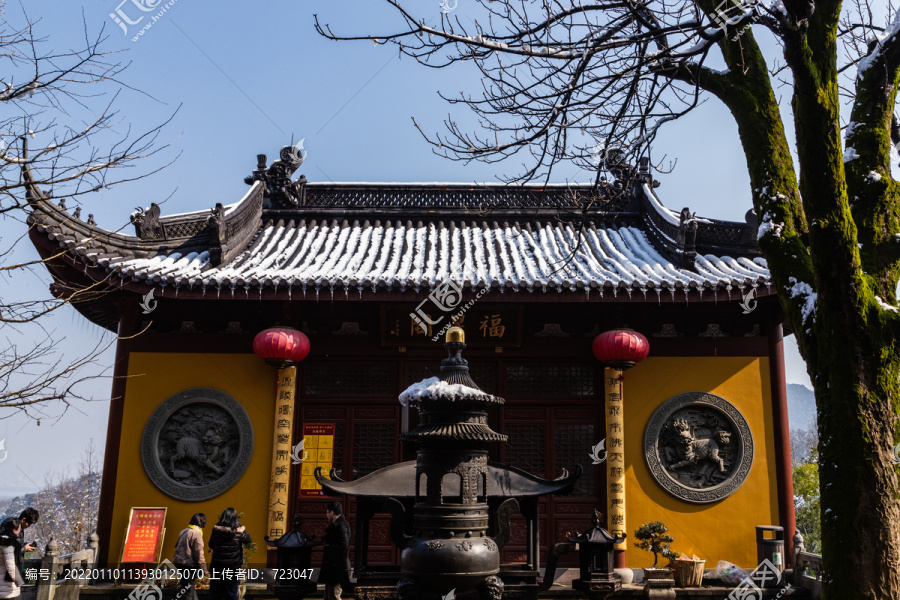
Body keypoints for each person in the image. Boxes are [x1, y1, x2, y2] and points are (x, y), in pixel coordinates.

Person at [207, 508, 251, 600]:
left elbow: (211, 545)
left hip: (217, 566)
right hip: (233, 566)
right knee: (231, 593)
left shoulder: (216, 530)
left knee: (215, 593)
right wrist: (242, 529)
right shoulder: (238, 532)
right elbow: (248, 539)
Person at [317, 501, 351, 600]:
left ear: (332, 512)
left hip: (338, 567)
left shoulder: (341, 525)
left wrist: (329, 545)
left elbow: (343, 547)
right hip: (332, 566)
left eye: (327, 512)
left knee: (335, 596)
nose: (326, 515)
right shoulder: (336, 525)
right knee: (328, 596)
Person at [173, 513, 208, 600]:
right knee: (189, 589)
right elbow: (199, 553)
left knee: (187, 587)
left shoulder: (183, 531)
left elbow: (176, 545)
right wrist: (204, 569)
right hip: (189, 564)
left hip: (179, 563)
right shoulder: (197, 534)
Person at [0, 518, 23, 599]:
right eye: (19, 529)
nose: (20, 531)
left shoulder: (1, 540)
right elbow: (10, 564)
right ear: (14, 530)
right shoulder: (8, 543)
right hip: (6, 587)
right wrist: (19, 581)